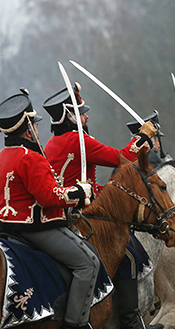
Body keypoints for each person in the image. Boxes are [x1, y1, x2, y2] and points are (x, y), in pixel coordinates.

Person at [42, 82, 159, 329]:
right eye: (81, 112)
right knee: (128, 256)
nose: (86, 116)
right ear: (71, 117)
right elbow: (124, 158)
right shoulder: (78, 141)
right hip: (83, 213)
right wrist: (143, 136)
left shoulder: (53, 142)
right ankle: (130, 321)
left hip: (67, 210)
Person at [0, 89, 98, 329]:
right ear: (27, 129)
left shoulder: (3, 155)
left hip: (7, 228)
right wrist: (79, 192)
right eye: (33, 124)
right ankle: (76, 324)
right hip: (36, 228)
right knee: (89, 264)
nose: (36, 128)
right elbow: (48, 197)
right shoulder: (29, 157)